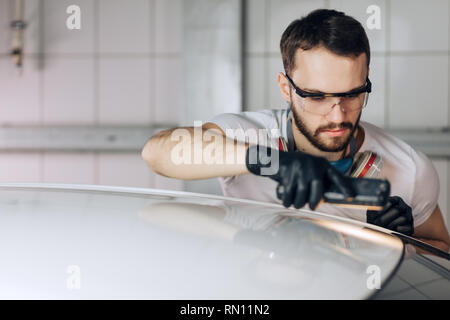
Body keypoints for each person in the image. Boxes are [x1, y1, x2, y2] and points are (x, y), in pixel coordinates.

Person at [141, 9, 450, 252]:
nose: (338, 114)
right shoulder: (249, 134)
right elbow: (157, 152)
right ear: (286, 88)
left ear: (366, 79)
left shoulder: (410, 169)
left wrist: (400, 243)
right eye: (316, 96)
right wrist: (272, 163)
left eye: (353, 94)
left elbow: (442, 258)